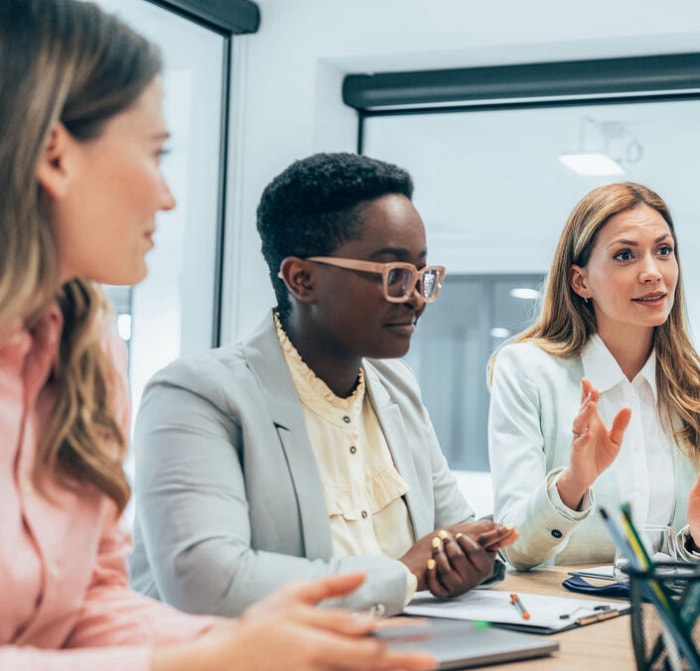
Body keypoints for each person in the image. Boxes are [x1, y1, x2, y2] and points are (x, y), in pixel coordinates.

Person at [0, 0, 437, 671]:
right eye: (157, 153)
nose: (167, 194)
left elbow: (90, 606)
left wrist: (235, 651)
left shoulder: (81, 345)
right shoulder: (198, 387)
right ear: (56, 155)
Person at [129, 152, 517, 617]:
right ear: (302, 279)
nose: (416, 298)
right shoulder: (196, 395)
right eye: (394, 275)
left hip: (395, 657)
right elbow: (207, 581)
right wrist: (407, 574)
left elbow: (455, 528)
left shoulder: (394, 384)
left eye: (421, 274)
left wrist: (470, 559)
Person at [488, 181, 700, 570]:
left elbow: (680, 555)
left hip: (669, 621)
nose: (653, 272)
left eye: (663, 250)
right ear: (580, 280)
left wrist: (696, 541)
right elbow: (514, 547)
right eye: (625, 255)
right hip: (569, 620)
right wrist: (572, 484)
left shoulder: (693, 387)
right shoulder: (526, 370)